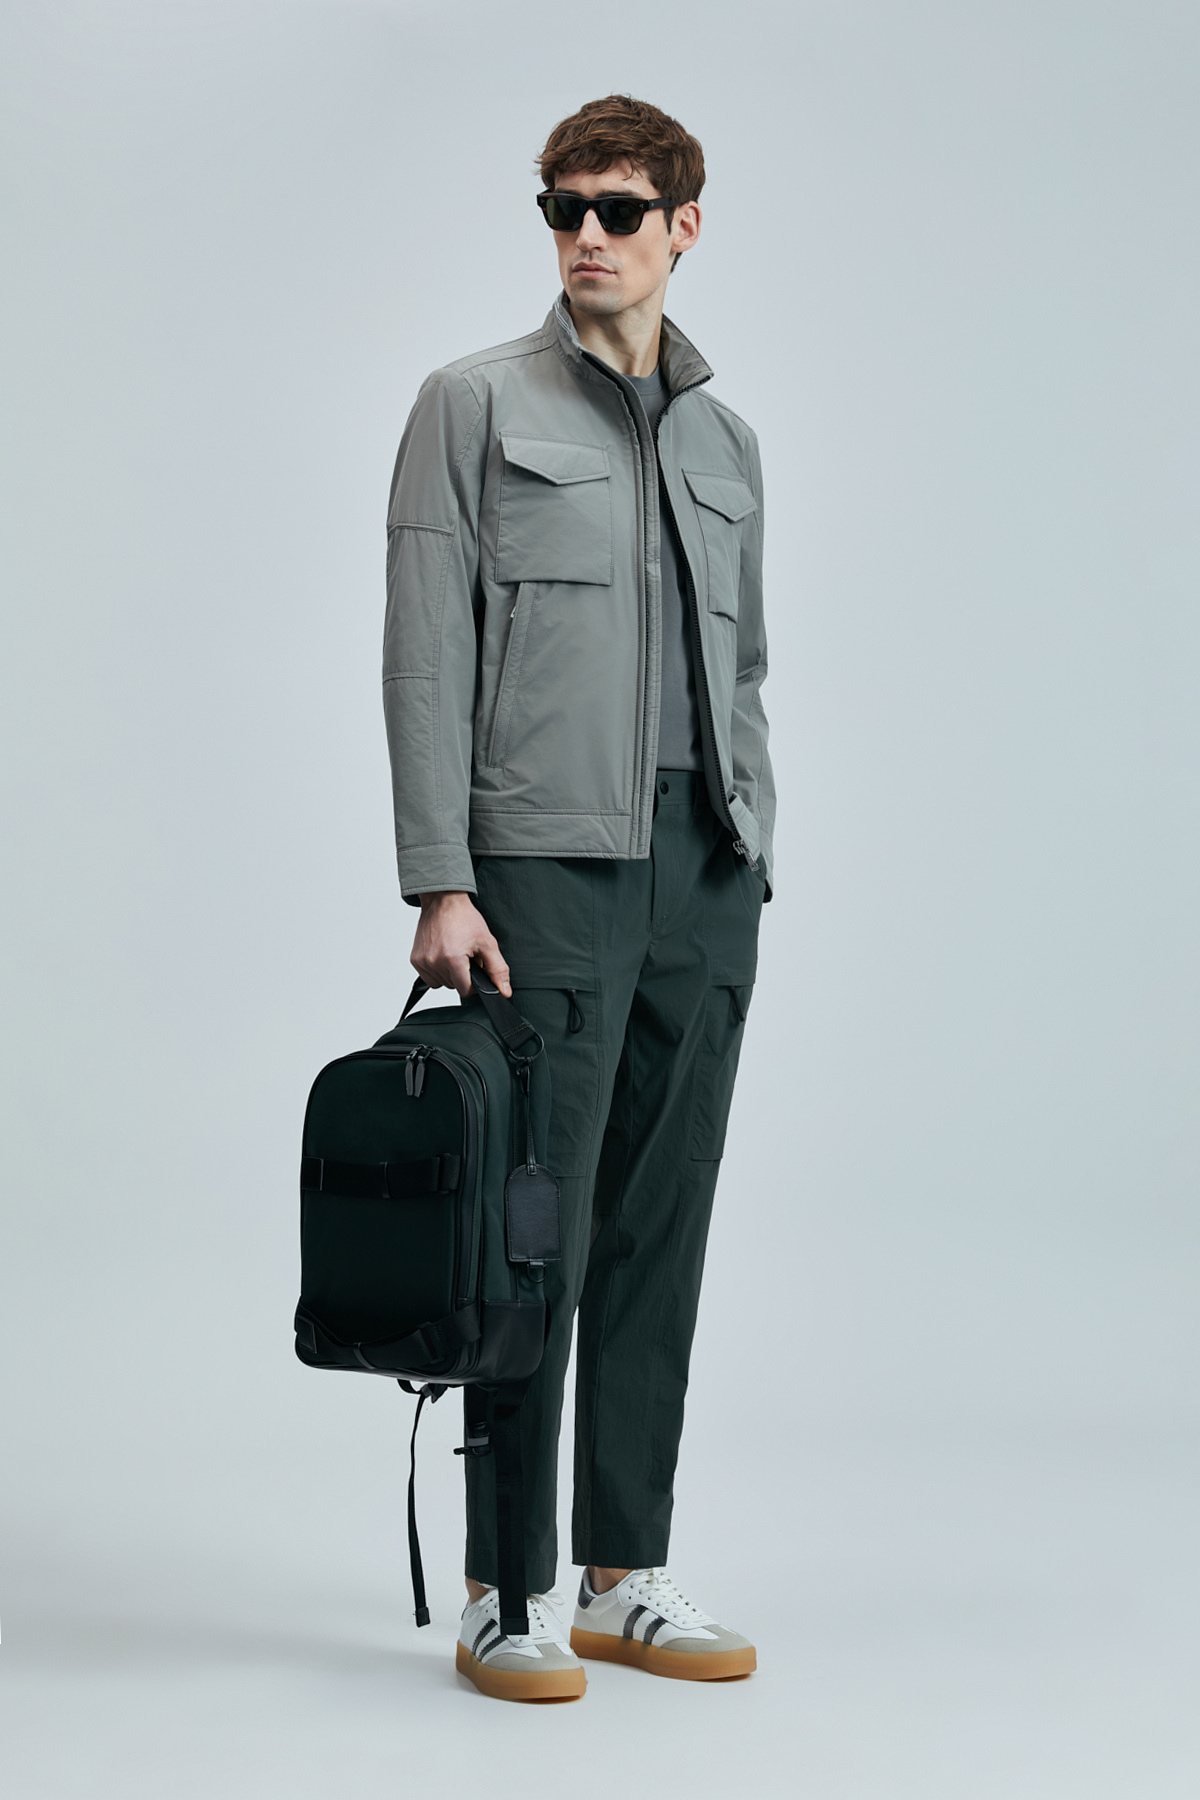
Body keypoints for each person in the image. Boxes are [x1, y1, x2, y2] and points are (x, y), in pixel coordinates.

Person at [383, 94, 776, 1702]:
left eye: (617, 209)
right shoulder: (472, 404)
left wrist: (751, 846)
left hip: (704, 871)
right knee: (530, 1231)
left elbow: (743, 669)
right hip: (543, 871)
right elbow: (425, 656)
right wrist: (440, 876)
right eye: (564, 209)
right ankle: (506, 1587)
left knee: (660, 1227)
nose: (587, 236)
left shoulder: (726, 443)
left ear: (686, 225)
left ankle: (625, 1575)